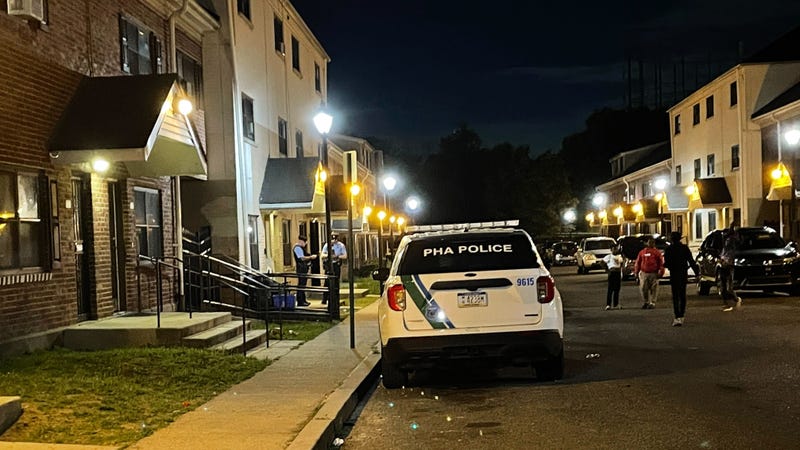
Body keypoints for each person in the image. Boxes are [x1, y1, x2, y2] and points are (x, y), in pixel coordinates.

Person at [663, 232, 700, 326]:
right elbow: (691, 261)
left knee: (675, 295)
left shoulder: (668, 249)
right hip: (683, 273)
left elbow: (666, 263)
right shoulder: (684, 248)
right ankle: (682, 314)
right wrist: (697, 273)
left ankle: (677, 316)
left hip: (674, 273)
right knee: (682, 294)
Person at [634, 237, 665, 309]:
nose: (651, 243)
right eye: (649, 242)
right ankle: (646, 302)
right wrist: (636, 272)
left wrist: (661, 272)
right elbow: (638, 262)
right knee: (643, 288)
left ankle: (652, 302)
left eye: (652, 242)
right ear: (647, 243)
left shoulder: (657, 252)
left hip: (654, 273)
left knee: (654, 289)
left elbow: (661, 263)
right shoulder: (642, 252)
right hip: (644, 273)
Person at [719, 224, 742, 312]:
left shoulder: (732, 241)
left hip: (729, 265)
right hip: (724, 264)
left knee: (728, 286)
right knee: (723, 286)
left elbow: (731, 253)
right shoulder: (726, 243)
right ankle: (726, 303)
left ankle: (735, 300)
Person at [321, 233, 347, 305]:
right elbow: (322, 255)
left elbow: (345, 256)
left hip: (336, 265)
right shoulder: (327, 245)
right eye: (332, 239)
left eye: (335, 239)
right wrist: (329, 255)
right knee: (327, 282)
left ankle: (336, 299)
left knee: (336, 282)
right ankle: (325, 299)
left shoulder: (341, 245)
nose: (333, 241)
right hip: (329, 265)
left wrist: (337, 256)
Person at [292, 235, 316, 307]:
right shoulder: (297, 248)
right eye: (305, 243)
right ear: (302, 241)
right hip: (301, 269)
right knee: (301, 285)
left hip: (303, 268)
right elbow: (301, 258)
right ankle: (300, 301)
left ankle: (303, 300)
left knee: (303, 285)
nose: (305, 244)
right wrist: (310, 257)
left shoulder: (301, 248)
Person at [603, 245, 623, 310]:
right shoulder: (608, 257)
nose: (615, 250)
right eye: (614, 249)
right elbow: (602, 262)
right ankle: (608, 304)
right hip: (612, 273)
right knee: (610, 289)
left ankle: (616, 304)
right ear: (611, 250)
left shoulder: (619, 256)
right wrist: (607, 270)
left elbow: (622, 263)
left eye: (616, 249)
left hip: (618, 273)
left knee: (617, 289)